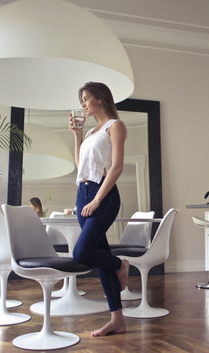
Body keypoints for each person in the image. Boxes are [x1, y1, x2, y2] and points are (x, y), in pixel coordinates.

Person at [69, 81, 129, 337]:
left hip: (102, 195)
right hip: (83, 193)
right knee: (97, 253)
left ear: (100, 99)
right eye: (81, 99)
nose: (83, 103)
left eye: (86, 98)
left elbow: (116, 167)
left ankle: (120, 264)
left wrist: (96, 201)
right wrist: (78, 136)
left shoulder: (115, 126)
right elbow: (81, 166)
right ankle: (117, 319)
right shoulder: (93, 133)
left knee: (81, 253)